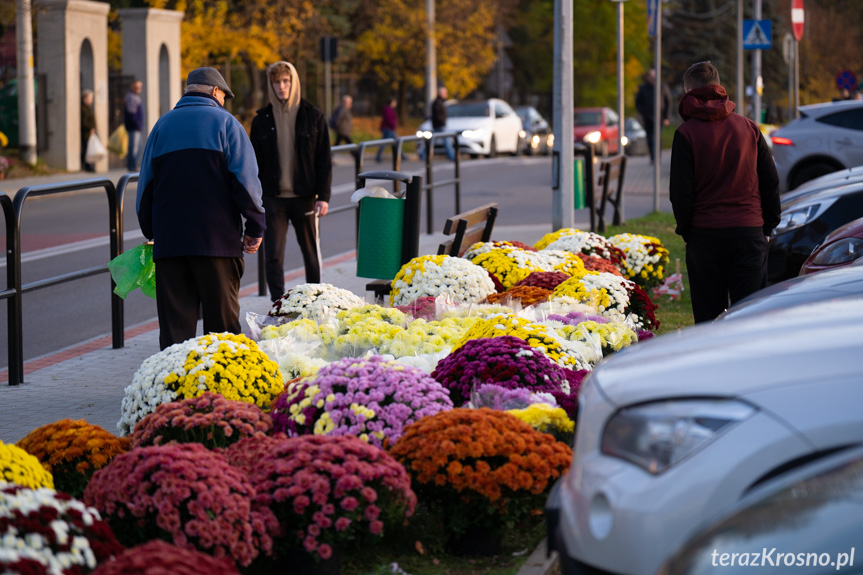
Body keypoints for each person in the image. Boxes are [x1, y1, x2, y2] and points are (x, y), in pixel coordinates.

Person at [136, 67, 266, 350]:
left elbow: (145, 185)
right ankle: (219, 390)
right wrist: (255, 227)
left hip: (171, 245)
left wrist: (153, 229)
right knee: (222, 333)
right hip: (217, 243)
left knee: (175, 334)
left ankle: (175, 390)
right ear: (216, 92)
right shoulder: (227, 124)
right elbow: (247, 183)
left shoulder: (161, 126)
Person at [669, 61, 780, 324]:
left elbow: (680, 193)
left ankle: (712, 365)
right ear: (720, 88)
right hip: (749, 232)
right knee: (750, 318)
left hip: (705, 236)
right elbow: (770, 181)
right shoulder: (749, 128)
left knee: (709, 320)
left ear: (688, 92)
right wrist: (768, 227)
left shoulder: (685, 134)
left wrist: (688, 231)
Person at [250, 61, 332, 302]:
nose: (281, 86)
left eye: (285, 81)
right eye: (277, 82)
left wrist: (323, 196)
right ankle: (278, 303)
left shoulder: (313, 115)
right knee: (273, 254)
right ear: (271, 85)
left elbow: (324, 159)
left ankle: (316, 301)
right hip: (274, 199)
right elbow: (253, 164)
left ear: (293, 82)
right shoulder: (261, 120)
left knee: (310, 252)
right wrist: (256, 199)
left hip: (305, 196)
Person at [635, 69, 672, 165]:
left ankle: (658, 157)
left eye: (654, 78)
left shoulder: (662, 87)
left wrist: (666, 117)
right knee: (650, 138)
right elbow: (638, 102)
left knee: (657, 137)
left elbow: (668, 102)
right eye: (651, 77)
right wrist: (643, 112)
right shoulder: (643, 88)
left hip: (659, 117)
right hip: (647, 117)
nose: (652, 79)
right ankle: (652, 157)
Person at [422, 86, 456, 160]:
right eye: (445, 92)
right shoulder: (438, 102)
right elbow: (437, 115)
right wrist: (442, 121)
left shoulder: (439, 102)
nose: (446, 94)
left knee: (433, 141)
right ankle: (452, 156)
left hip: (439, 125)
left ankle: (423, 154)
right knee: (446, 142)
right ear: (441, 93)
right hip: (439, 125)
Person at [376, 95, 406, 163]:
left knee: (395, 142)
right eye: (394, 102)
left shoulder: (389, 109)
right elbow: (389, 119)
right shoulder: (388, 109)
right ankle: (378, 156)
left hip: (389, 128)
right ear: (391, 102)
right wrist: (393, 125)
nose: (396, 104)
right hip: (388, 129)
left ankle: (402, 155)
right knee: (387, 143)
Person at [124, 80, 144, 171]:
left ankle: (133, 165)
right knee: (134, 148)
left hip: (136, 127)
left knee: (138, 146)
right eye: (137, 87)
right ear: (132, 87)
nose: (139, 89)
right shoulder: (131, 97)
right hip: (134, 127)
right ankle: (132, 166)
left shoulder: (135, 97)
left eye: (140, 87)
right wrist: (136, 124)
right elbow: (132, 114)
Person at [80, 89, 96, 172]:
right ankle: (85, 166)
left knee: (87, 149)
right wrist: (90, 128)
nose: (91, 100)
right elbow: (84, 122)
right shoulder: (83, 109)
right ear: (84, 99)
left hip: (89, 133)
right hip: (86, 133)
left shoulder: (88, 108)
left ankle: (88, 165)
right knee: (85, 150)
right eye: (90, 98)